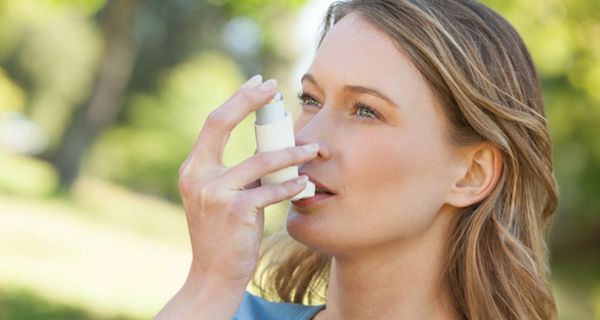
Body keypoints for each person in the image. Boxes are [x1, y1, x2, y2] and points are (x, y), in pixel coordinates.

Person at [155, 0, 558, 319]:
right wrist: (209, 284)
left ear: (471, 174)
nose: (304, 139)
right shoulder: (218, 310)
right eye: (311, 100)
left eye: (365, 110)